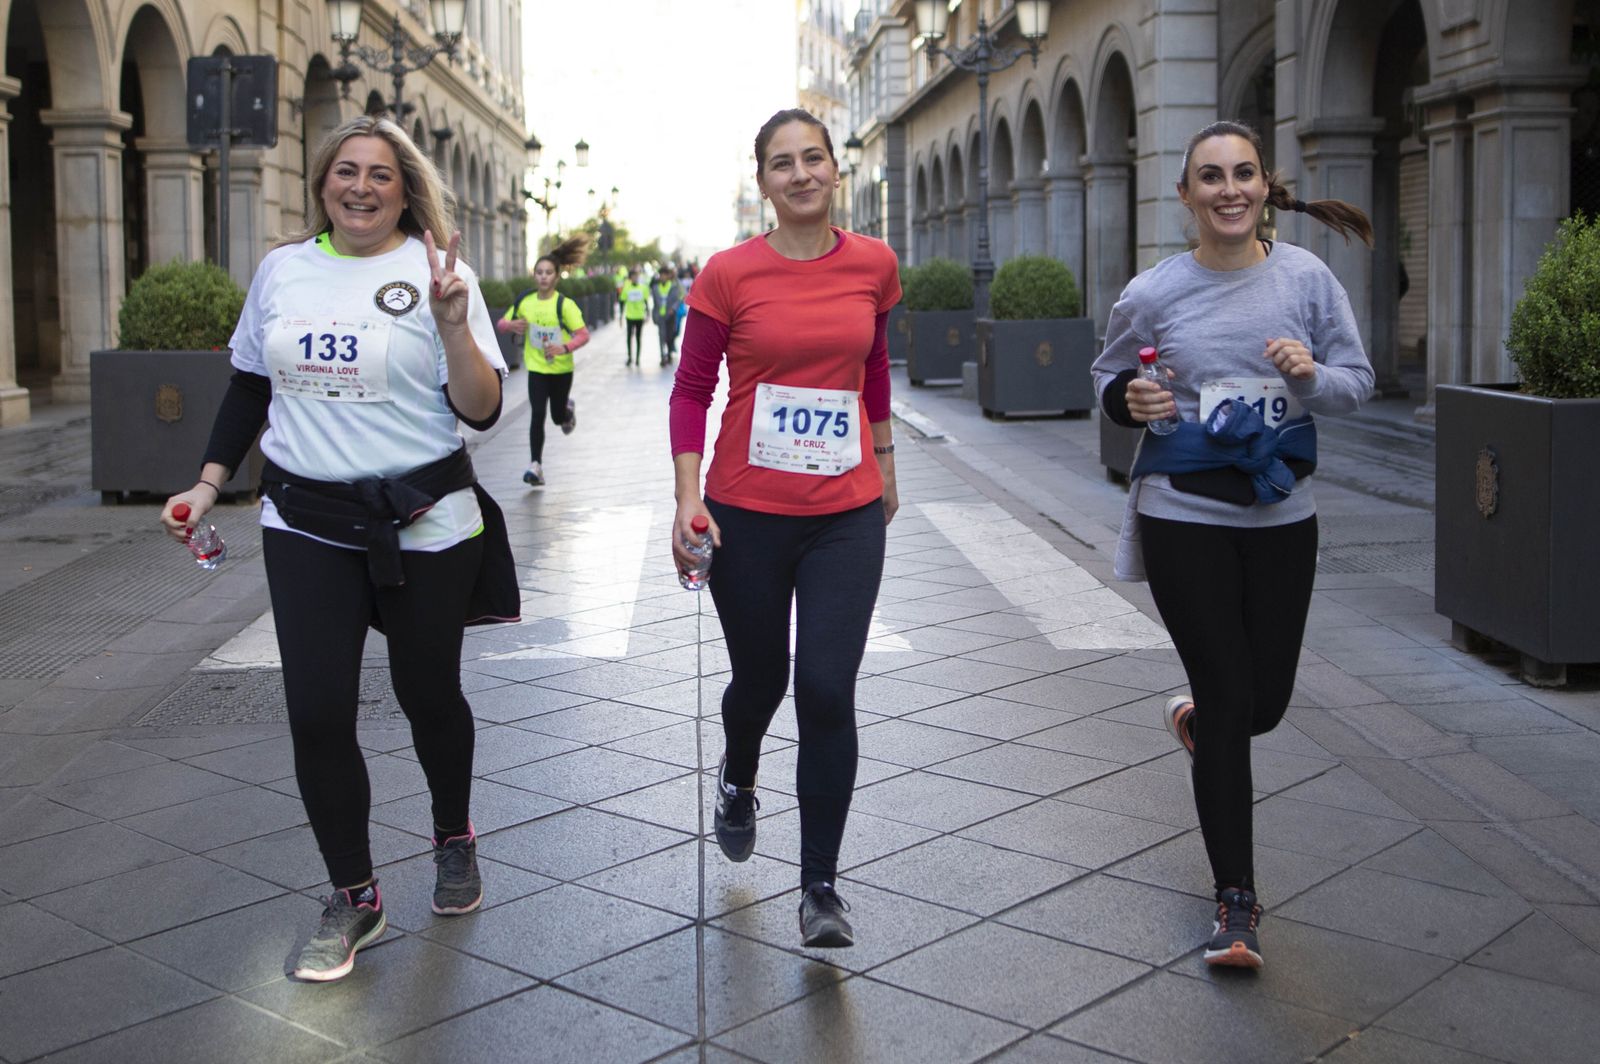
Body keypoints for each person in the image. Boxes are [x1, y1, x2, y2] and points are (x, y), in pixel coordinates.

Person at [160, 114, 518, 982]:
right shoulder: (284, 270)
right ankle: (354, 895)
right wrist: (207, 483)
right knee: (318, 713)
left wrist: (453, 324)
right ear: (322, 184)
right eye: (346, 171)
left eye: (380, 174)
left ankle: (453, 835)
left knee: (428, 695)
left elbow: (480, 411)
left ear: (405, 190)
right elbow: (250, 383)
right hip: (306, 522)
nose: (361, 187)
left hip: (424, 521)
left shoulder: (439, 273)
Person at [1090, 119, 1375, 970]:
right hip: (1183, 515)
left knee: (1264, 705)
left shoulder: (1306, 279)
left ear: (1263, 185)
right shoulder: (1154, 291)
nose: (1228, 190)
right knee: (1226, 694)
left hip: (1282, 516)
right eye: (1210, 177)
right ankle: (1237, 905)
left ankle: (1198, 722)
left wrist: (1309, 376)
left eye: (1242, 174)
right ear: (1185, 195)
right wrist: (1130, 399)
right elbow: (1108, 375)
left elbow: (1356, 382)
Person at [668, 107, 900, 949]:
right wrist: (687, 499)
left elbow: (873, 365)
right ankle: (738, 776)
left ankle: (820, 887)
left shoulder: (874, 263)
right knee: (760, 679)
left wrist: (886, 460)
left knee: (827, 688)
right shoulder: (729, 274)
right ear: (762, 180)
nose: (800, 174)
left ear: (836, 168)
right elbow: (691, 390)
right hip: (747, 512)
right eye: (781, 163)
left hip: (846, 512)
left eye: (813, 158)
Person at [499, 236, 590, 487]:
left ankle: (566, 411)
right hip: (537, 368)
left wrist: (564, 347)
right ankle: (535, 465)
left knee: (557, 417)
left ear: (557, 276)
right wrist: (511, 325)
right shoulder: (525, 302)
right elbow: (502, 323)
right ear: (534, 275)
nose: (543, 277)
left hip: (561, 370)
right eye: (539, 272)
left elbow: (583, 335)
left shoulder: (565, 305)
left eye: (548, 273)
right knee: (537, 414)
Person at [651, 262, 683, 367]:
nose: (663, 277)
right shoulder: (655, 288)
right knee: (661, 336)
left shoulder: (673, 287)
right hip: (660, 316)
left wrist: (673, 309)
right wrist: (654, 315)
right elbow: (655, 303)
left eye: (665, 275)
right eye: (661, 275)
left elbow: (679, 300)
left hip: (671, 316)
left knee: (670, 336)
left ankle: (669, 353)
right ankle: (662, 356)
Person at [619, 265, 649, 367]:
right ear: (630, 277)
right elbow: (622, 302)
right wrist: (620, 317)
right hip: (630, 316)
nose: (635, 278)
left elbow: (646, 301)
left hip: (640, 316)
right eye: (634, 276)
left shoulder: (643, 288)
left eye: (637, 276)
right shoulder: (626, 288)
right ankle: (629, 357)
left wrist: (648, 314)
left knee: (638, 338)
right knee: (629, 337)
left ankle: (637, 358)